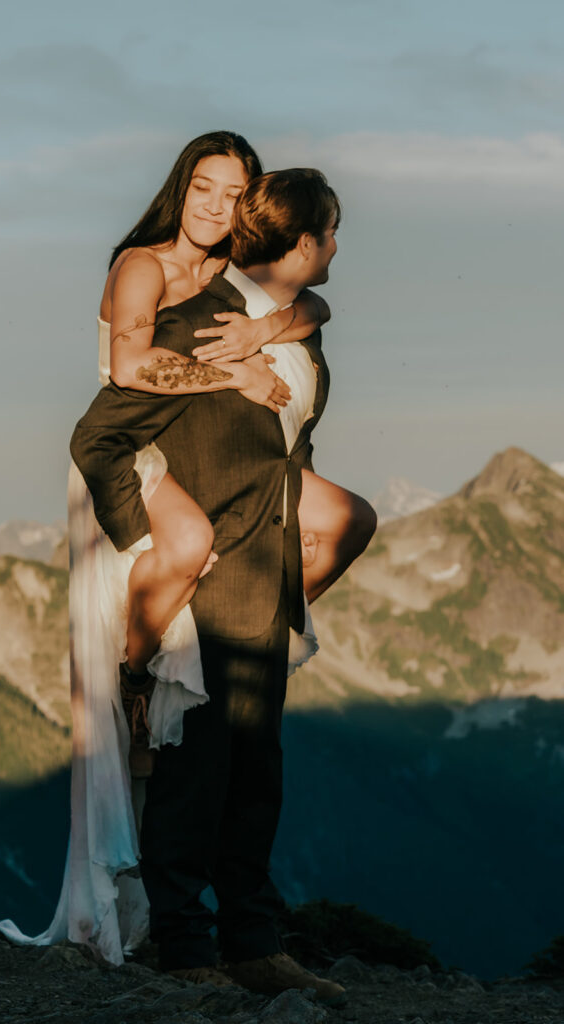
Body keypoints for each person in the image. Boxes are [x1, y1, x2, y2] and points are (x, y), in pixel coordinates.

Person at [71, 167, 375, 1004]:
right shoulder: (196, 325)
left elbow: (291, 444)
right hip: (205, 590)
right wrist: (154, 547)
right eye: (332, 231)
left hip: (267, 577)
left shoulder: (292, 324)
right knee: (197, 777)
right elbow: (97, 437)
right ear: (301, 239)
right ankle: (182, 944)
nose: (338, 246)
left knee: (257, 772)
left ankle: (253, 941)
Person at [94, 132, 375, 776]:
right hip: (135, 439)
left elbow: (314, 302)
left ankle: (255, 632)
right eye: (203, 188)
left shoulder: (226, 272)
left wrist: (261, 329)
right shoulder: (144, 264)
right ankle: (136, 677)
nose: (216, 207)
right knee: (191, 544)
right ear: (180, 188)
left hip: (190, 426)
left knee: (347, 521)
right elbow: (130, 367)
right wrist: (238, 374)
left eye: (234, 195)